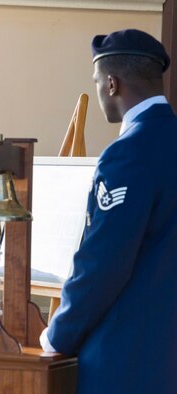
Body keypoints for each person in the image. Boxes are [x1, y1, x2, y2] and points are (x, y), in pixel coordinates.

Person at [40, 29, 177, 393]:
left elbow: (105, 261)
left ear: (112, 83)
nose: (100, 91)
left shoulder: (129, 152)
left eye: (98, 81)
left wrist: (58, 334)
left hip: (128, 359)